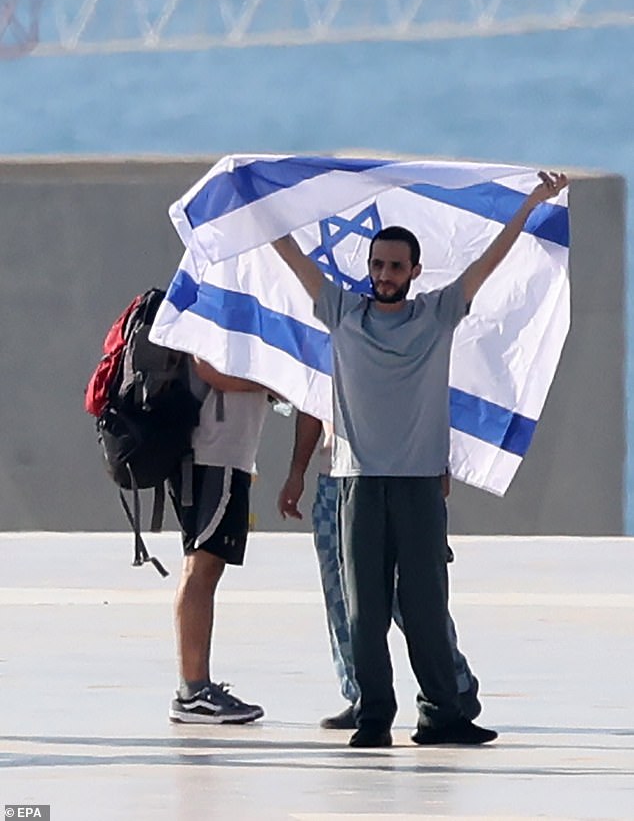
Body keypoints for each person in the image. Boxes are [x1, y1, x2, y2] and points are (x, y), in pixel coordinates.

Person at [273, 170, 568, 747]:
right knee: (366, 612)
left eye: (395, 267)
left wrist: (534, 201)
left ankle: (442, 715)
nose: (384, 275)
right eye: (377, 265)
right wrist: (248, 197)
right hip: (359, 483)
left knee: (427, 607)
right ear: (369, 270)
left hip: (418, 487)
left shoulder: (436, 315)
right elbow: (286, 252)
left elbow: (492, 260)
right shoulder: (342, 313)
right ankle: (373, 718)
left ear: (413, 272)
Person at [277, 411, 481, 729]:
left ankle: (455, 684)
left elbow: (431, 398)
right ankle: (361, 695)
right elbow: (310, 402)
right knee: (343, 593)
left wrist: (441, 464)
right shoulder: (328, 359)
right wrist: (296, 471)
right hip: (336, 475)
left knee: (413, 591)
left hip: (401, 469)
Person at [167, 356, 270, 724]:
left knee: (205, 563)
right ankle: (193, 691)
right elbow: (208, 369)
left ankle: (195, 688)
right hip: (214, 450)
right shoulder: (212, 298)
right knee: (203, 564)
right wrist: (271, 382)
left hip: (222, 451)